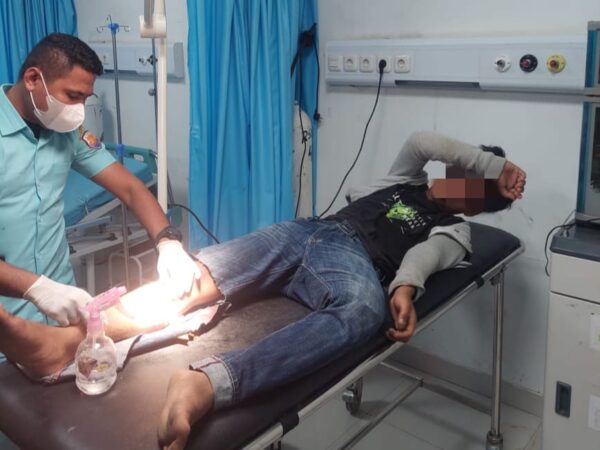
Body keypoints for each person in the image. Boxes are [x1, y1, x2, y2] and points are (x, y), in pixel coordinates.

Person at [0, 131, 525, 450]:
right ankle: (65, 343)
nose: (460, 183)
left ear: (477, 205)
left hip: (352, 264)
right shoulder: (405, 177)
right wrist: (495, 166)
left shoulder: (456, 230)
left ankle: (206, 385)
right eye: (465, 171)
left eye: (474, 190)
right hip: (305, 231)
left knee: (363, 312)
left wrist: (405, 290)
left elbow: (423, 261)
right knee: (193, 279)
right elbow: (425, 140)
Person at [0, 33, 200, 348]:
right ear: (33, 79)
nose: (78, 109)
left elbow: (130, 188)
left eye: (85, 98)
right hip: (8, 328)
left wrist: (168, 242)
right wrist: (36, 287)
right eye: (72, 95)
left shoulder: (65, 132)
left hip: (66, 317)